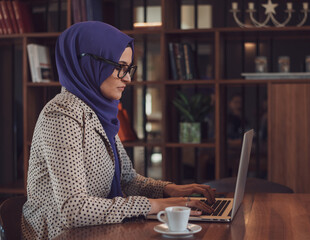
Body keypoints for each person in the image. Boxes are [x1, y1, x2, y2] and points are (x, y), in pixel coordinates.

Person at [21, 21, 215, 240]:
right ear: (90, 64)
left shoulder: (100, 111)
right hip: (59, 235)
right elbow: (74, 210)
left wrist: (169, 190)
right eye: (120, 67)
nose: (128, 78)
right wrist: (157, 205)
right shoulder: (61, 115)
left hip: (98, 232)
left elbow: (127, 180)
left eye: (129, 68)